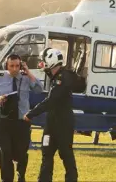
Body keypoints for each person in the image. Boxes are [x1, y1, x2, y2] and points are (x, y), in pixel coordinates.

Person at [0, 53, 43, 182]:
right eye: (12, 66)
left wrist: (28, 72)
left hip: (21, 122)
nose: (15, 69)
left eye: (17, 66)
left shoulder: (26, 78)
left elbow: (39, 89)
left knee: (21, 154)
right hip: (3, 121)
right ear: (7, 66)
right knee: (5, 153)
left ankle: (21, 175)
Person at [23, 48, 78, 182]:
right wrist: (29, 71)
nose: (42, 63)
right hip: (51, 124)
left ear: (51, 61)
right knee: (46, 153)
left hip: (63, 125)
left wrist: (31, 114)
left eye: (44, 61)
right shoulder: (56, 76)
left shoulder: (62, 79)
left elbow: (50, 101)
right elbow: (50, 73)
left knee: (66, 155)